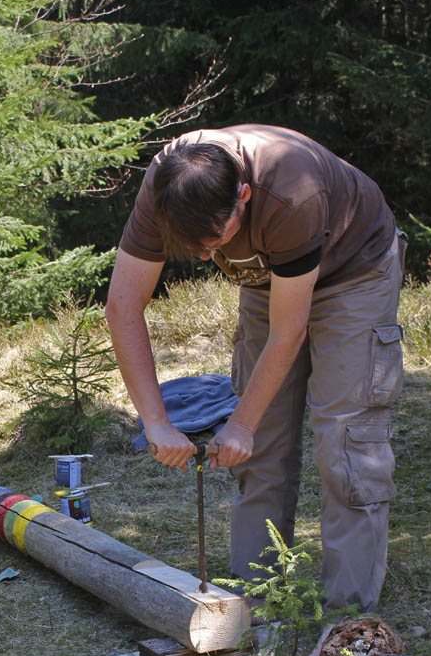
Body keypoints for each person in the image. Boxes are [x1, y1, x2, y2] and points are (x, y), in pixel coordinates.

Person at [105, 124, 405, 622]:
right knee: (259, 444)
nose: (207, 256)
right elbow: (122, 307)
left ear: (243, 196)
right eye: (194, 247)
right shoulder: (166, 186)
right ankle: (255, 604)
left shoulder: (292, 191)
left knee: (345, 442)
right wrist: (155, 421)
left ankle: (348, 623)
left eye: (215, 240)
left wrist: (241, 423)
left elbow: (289, 331)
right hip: (270, 277)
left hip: (354, 273)